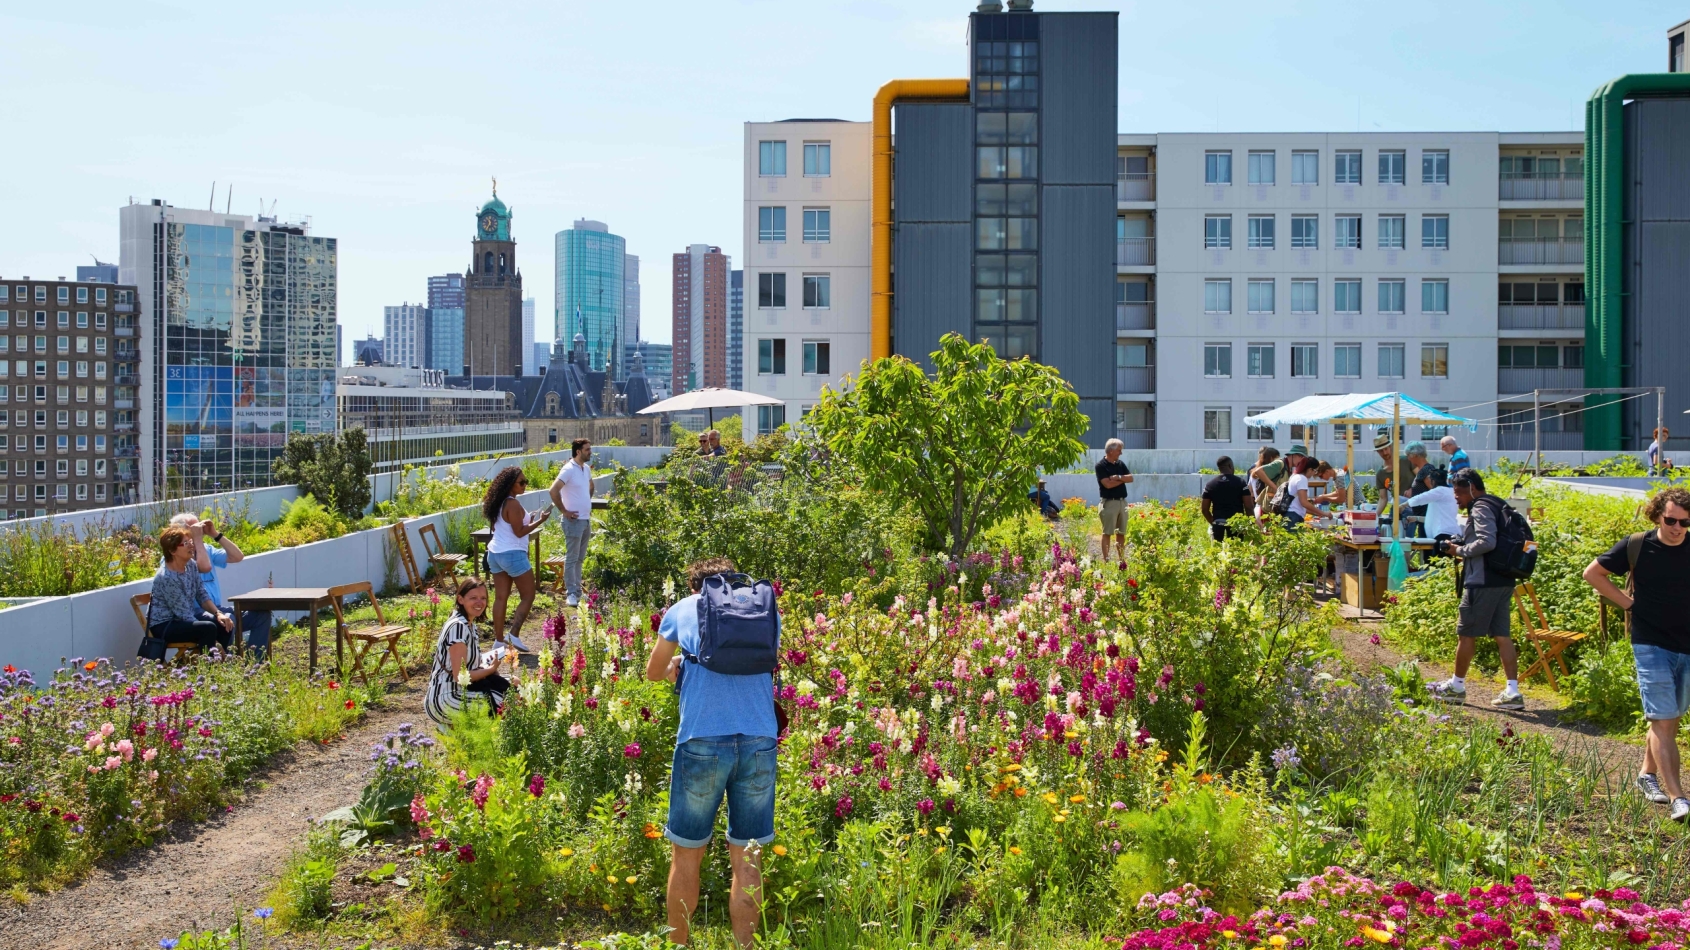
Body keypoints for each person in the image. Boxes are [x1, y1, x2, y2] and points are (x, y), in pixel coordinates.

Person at [645, 557, 780, 948]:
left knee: (687, 856)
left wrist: (675, 664)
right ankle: (746, 946)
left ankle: (680, 946)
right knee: (748, 856)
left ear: (696, 587)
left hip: (702, 740)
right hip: (758, 741)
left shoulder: (683, 608)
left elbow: (653, 671)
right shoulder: (763, 610)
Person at [1582, 486, 1690, 821]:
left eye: (1685, 522)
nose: (1677, 527)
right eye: (1671, 520)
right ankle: (1678, 798)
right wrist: (1629, 604)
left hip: (1687, 645)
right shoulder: (1638, 545)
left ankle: (1646, 774)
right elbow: (1593, 573)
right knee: (1662, 718)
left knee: (1670, 719)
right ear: (1658, 514)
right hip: (1649, 642)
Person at [1427, 470, 1524, 710]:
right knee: (1502, 635)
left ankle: (1456, 687)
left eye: (1458, 492)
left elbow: (1487, 541)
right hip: (1504, 579)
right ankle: (1513, 692)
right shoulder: (1498, 503)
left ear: (1471, 488)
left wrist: (1458, 551)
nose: (1456, 498)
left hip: (1482, 581)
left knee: (1466, 633)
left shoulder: (1480, 507)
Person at [166, 513, 273, 658]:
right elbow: (205, 567)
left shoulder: (207, 549)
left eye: (200, 527)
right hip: (193, 614)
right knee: (228, 618)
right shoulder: (175, 557)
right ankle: (225, 663)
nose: (200, 531)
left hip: (214, 608)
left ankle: (255, 663)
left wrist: (215, 534)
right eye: (196, 528)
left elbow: (238, 556)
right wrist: (196, 540)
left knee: (261, 616)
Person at [424, 577, 508, 727]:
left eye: (483, 598)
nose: (479, 602)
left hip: (461, 691)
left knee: (513, 683)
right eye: (473, 598)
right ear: (461, 599)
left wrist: (489, 660)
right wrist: (491, 669)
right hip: (447, 696)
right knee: (507, 703)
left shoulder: (468, 624)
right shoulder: (458, 626)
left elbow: (469, 662)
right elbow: (460, 676)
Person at [482, 466, 549, 651]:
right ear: (510, 484)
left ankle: (498, 640)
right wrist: (540, 521)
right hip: (513, 554)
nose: (525, 485)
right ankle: (513, 635)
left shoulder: (498, 502)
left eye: (525, 482)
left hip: (494, 554)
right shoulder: (513, 504)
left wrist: (529, 518)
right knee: (528, 595)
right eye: (521, 482)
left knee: (501, 597)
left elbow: (502, 527)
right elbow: (519, 533)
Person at [146, 525, 234, 651]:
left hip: (182, 619)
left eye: (190, 541)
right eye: (185, 543)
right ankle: (208, 666)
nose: (191, 545)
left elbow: (201, 593)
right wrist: (214, 638)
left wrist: (218, 614)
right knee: (208, 628)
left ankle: (220, 661)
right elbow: (183, 614)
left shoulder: (191, 565)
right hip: (165, 625)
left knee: (224, 623)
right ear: (172, 551)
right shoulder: (167, 577)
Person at [549, 438, 594, 607]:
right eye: (587, 449)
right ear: (578, 452)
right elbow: (553, 491)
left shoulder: (586, 468)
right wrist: (564, 511)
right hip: (573, 522)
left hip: (585, 520)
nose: (590, 452)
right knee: (572, 558)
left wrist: (585, 503)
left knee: (580, 559)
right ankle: (571, 593)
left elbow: (590, 486)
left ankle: (577, 591)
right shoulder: (568, 469)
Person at [1095, 438, 1134, 560]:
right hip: (1109, 502)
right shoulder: (1101, 466)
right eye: (1119, 450)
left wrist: (1118, 477)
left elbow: (1131, 478)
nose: (1120, 453)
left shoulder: (1120, 464)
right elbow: (1107, 484)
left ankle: (1122, 560)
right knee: (1107, 532)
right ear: (1111, 451)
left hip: (1122, 502)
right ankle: (1106, 559)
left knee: (1121, 533)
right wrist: (1123, 480)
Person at [1200, 456, 1253, 542]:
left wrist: (1213, 522)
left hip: (1218, 522)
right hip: (1237, 524)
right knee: (1235, 551)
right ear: (1230, 466)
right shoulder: (1241, 483)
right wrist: (1251, 524)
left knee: (1216, 552)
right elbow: (1248, 507)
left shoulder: (1210, 484)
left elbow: (1204, 509)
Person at [1248, 446, 1282, 524]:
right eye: (1277, 459)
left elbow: (1250, 491)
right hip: (1267, 510)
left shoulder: (1253, 473)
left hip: (1257, 508)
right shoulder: (1269, 475)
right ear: (1271, 459)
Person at [1283, 455, 1316, 528]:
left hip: (1291, 515)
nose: (1314, 474)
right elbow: (1304, 503)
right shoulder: (1302, 479)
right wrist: (1323, 513)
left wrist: (1317, 513)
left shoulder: (1295, 476)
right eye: (1315, 471)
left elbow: (1299, 503)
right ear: (1310, 469)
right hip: (1294, 517)